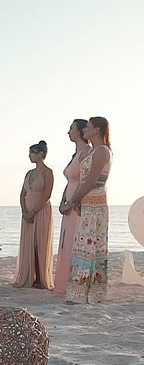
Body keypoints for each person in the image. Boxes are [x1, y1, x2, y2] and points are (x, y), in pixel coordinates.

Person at [63, 116, 112, 304]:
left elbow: (91, 181)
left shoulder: (102, 151)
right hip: (88, 202)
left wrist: (72, 201)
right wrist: (77, 201)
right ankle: (79, 291)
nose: (85, 131)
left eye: (88, 128)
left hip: (96, 204)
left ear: (97, 130)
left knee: (91, 245)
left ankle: (89, 292)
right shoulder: (93, 152)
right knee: (84, 245)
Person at [53, 119, 91, 293]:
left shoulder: (87, 152)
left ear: (81, 131)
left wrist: (72, 203)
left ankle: (77, 283)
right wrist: (62, 202)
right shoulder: (74, 154)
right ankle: (63, 284)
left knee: (75, 243)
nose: (68, 132)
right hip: (68, 205)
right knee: (65, 242)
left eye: (71, 128)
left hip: (78, 205)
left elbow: (86, 182)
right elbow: (69, 182)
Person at [11, 140, 55, 289]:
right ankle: (30, 276)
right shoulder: (29, 173)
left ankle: (41, 278)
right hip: (27, 210)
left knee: (39, 243)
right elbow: (22, 193)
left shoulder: (47, 172)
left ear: (41, 154)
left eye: (32, 153)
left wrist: (34, 211)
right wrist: (24, 211)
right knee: (28, 243)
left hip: (41, 209)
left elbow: (47, 194)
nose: (29, 156)